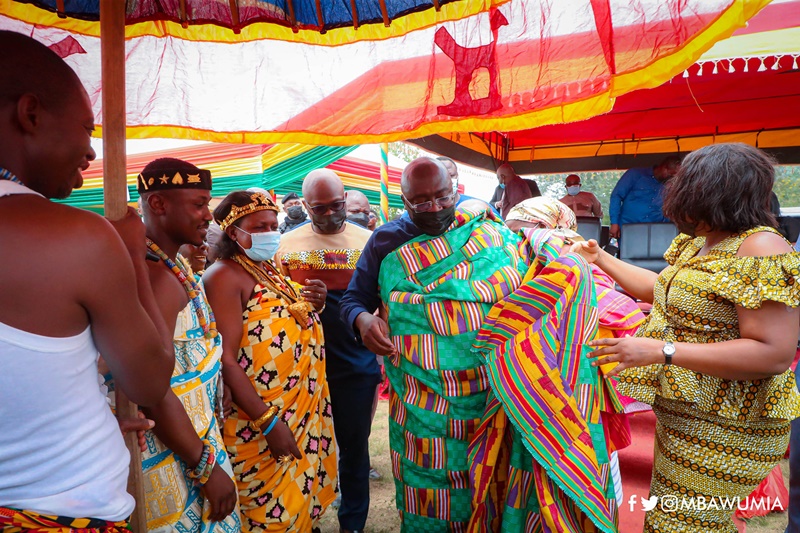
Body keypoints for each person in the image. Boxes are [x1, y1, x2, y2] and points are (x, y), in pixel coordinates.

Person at [572, 143, 800, 533]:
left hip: (729, 422)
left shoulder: (761, 249)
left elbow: (774, 353)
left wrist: (662, 350)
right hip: (689, 414)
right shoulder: (704, 241)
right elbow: (664, 288)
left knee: (683, 524)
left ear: (713, 190)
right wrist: (601, 259)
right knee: (675, 519)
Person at [0, 30, 173, 531]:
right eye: (85, 127)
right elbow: (150, 380)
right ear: (30, 114)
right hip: (61, 513)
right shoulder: (79, 239)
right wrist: (131, 255)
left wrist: (81, 418)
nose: (92, 152)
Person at [340, 157, 529, 532]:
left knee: (486, 482)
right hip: (421, 398)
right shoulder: (386, 240)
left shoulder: (484, 227)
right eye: (421, 202)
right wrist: (363, 320)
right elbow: (352, 301)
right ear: (404, 201)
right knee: (426, 486)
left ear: (455, 189)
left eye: (442, 197)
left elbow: (519, 282)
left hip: (487, 394)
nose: (435, 208)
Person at [467, 197, 645, 532]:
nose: (519, 243)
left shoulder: (588, 279)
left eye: (528, 232)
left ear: (557, 231)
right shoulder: (504, 275)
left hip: (580, 410)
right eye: (513, 233)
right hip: (525, 408)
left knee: (586, 488)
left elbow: (627, 321)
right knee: (523, 488)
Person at [203, 191, 337, 532]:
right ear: (234, 232)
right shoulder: (223, 276)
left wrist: (314, 304)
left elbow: (278, 320)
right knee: (270, 516)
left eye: (273, 225)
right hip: (258, 421)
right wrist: (268, 423)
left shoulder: (267, 268)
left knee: (298, 505)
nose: (271, 232)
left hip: (298, 412)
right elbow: (227, 359)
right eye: (260, 226)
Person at [275, 170, 381, 533]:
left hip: (354, 361)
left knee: (354, 447)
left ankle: (352, 523)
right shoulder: (284, 245)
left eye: (337, 205)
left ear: (346, 197)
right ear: (306, 206)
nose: (332, 214)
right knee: (303, 446)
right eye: (320, 209)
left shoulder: (370, 241)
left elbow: (380, 302)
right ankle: (308, 519)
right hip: (302, 365)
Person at [137, 157, 240, 531]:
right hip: (176, 449)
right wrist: (206, 466)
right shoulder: (156, 276)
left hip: (191, 433)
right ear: (159, 205)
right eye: (198, 204)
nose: (209, 216)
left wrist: (213, 376)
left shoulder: (167, 266)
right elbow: (151, 386)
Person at [608, 155, 681, 239]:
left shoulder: (670, 185)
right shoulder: (635, 174)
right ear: (665, 169)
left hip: (656, 231)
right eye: (672, 175)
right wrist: (614, 223)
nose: (673, 179)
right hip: (630, 228)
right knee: (629, 251)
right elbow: (616, 196)